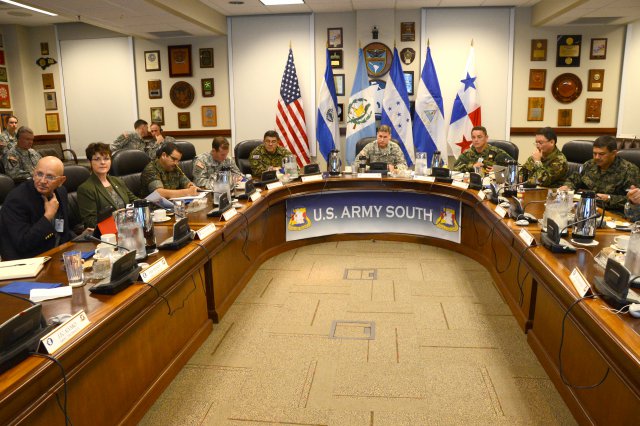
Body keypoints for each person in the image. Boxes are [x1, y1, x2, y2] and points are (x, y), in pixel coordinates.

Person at [0, 156, 73, 260]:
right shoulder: (17, 200)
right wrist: (48, 216)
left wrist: (81, 238)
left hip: (55, 253)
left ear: (61, 181)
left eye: (50, 177)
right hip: (27, 261)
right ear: (33, 174)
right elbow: (23, 244)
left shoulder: (61, 192)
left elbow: (62, 230)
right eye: (39, 174)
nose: (42, 181)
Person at [560, 135, 640, 212]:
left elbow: (633, 200)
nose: (597, 157)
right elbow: (574, 179)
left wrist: (609, 198)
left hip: (615, 214)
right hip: (589, 208)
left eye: (601, 154)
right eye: (594, 153)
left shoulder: (629, 170)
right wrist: (567, 187)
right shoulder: (589, 164)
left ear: (614, 153)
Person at [77, 142, 139, 229]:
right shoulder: (86, 189)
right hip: (108, 233)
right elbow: (90, 222)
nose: (102, 162)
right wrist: (118, 217)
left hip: (129, 227)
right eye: (97, 159)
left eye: (106, 159)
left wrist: (151, 202)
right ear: (90, 162)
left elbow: (134, 200)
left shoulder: (117, 181)